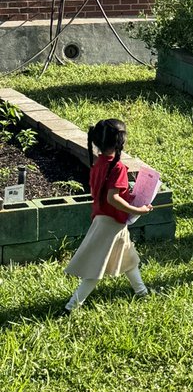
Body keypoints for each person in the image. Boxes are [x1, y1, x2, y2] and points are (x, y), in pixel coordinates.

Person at [63, 118, 154, 312]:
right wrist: (138, 210)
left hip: (104, 220)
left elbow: (107, 194)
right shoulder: (118, 167)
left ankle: (142, 293)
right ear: (121, 141)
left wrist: (129, 196)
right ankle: (71, 306)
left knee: (129, 259)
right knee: (96, 270)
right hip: (111, 224)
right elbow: (112, 198)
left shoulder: (99, 164)